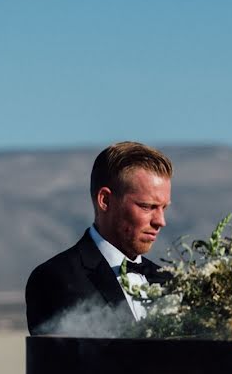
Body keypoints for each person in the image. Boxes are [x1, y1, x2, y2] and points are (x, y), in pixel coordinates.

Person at [25, 141, 173, 335]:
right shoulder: (55, 279)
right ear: (105, 200)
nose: (160, 221)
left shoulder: (170, 283)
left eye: (164, 208)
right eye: (147, 206)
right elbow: (61, 363)